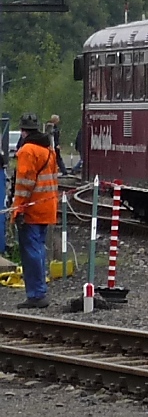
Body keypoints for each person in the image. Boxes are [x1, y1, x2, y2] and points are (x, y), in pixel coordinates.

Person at [9, 112, 58, 308]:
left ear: (22, 131)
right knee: (38, 250)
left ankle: (36, 294)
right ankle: (39, 291)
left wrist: (17, 209)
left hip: (31, 209)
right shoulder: (48, 150)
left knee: (31, 251)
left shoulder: (28, 151)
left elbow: (24, 184)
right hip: (47, 206)